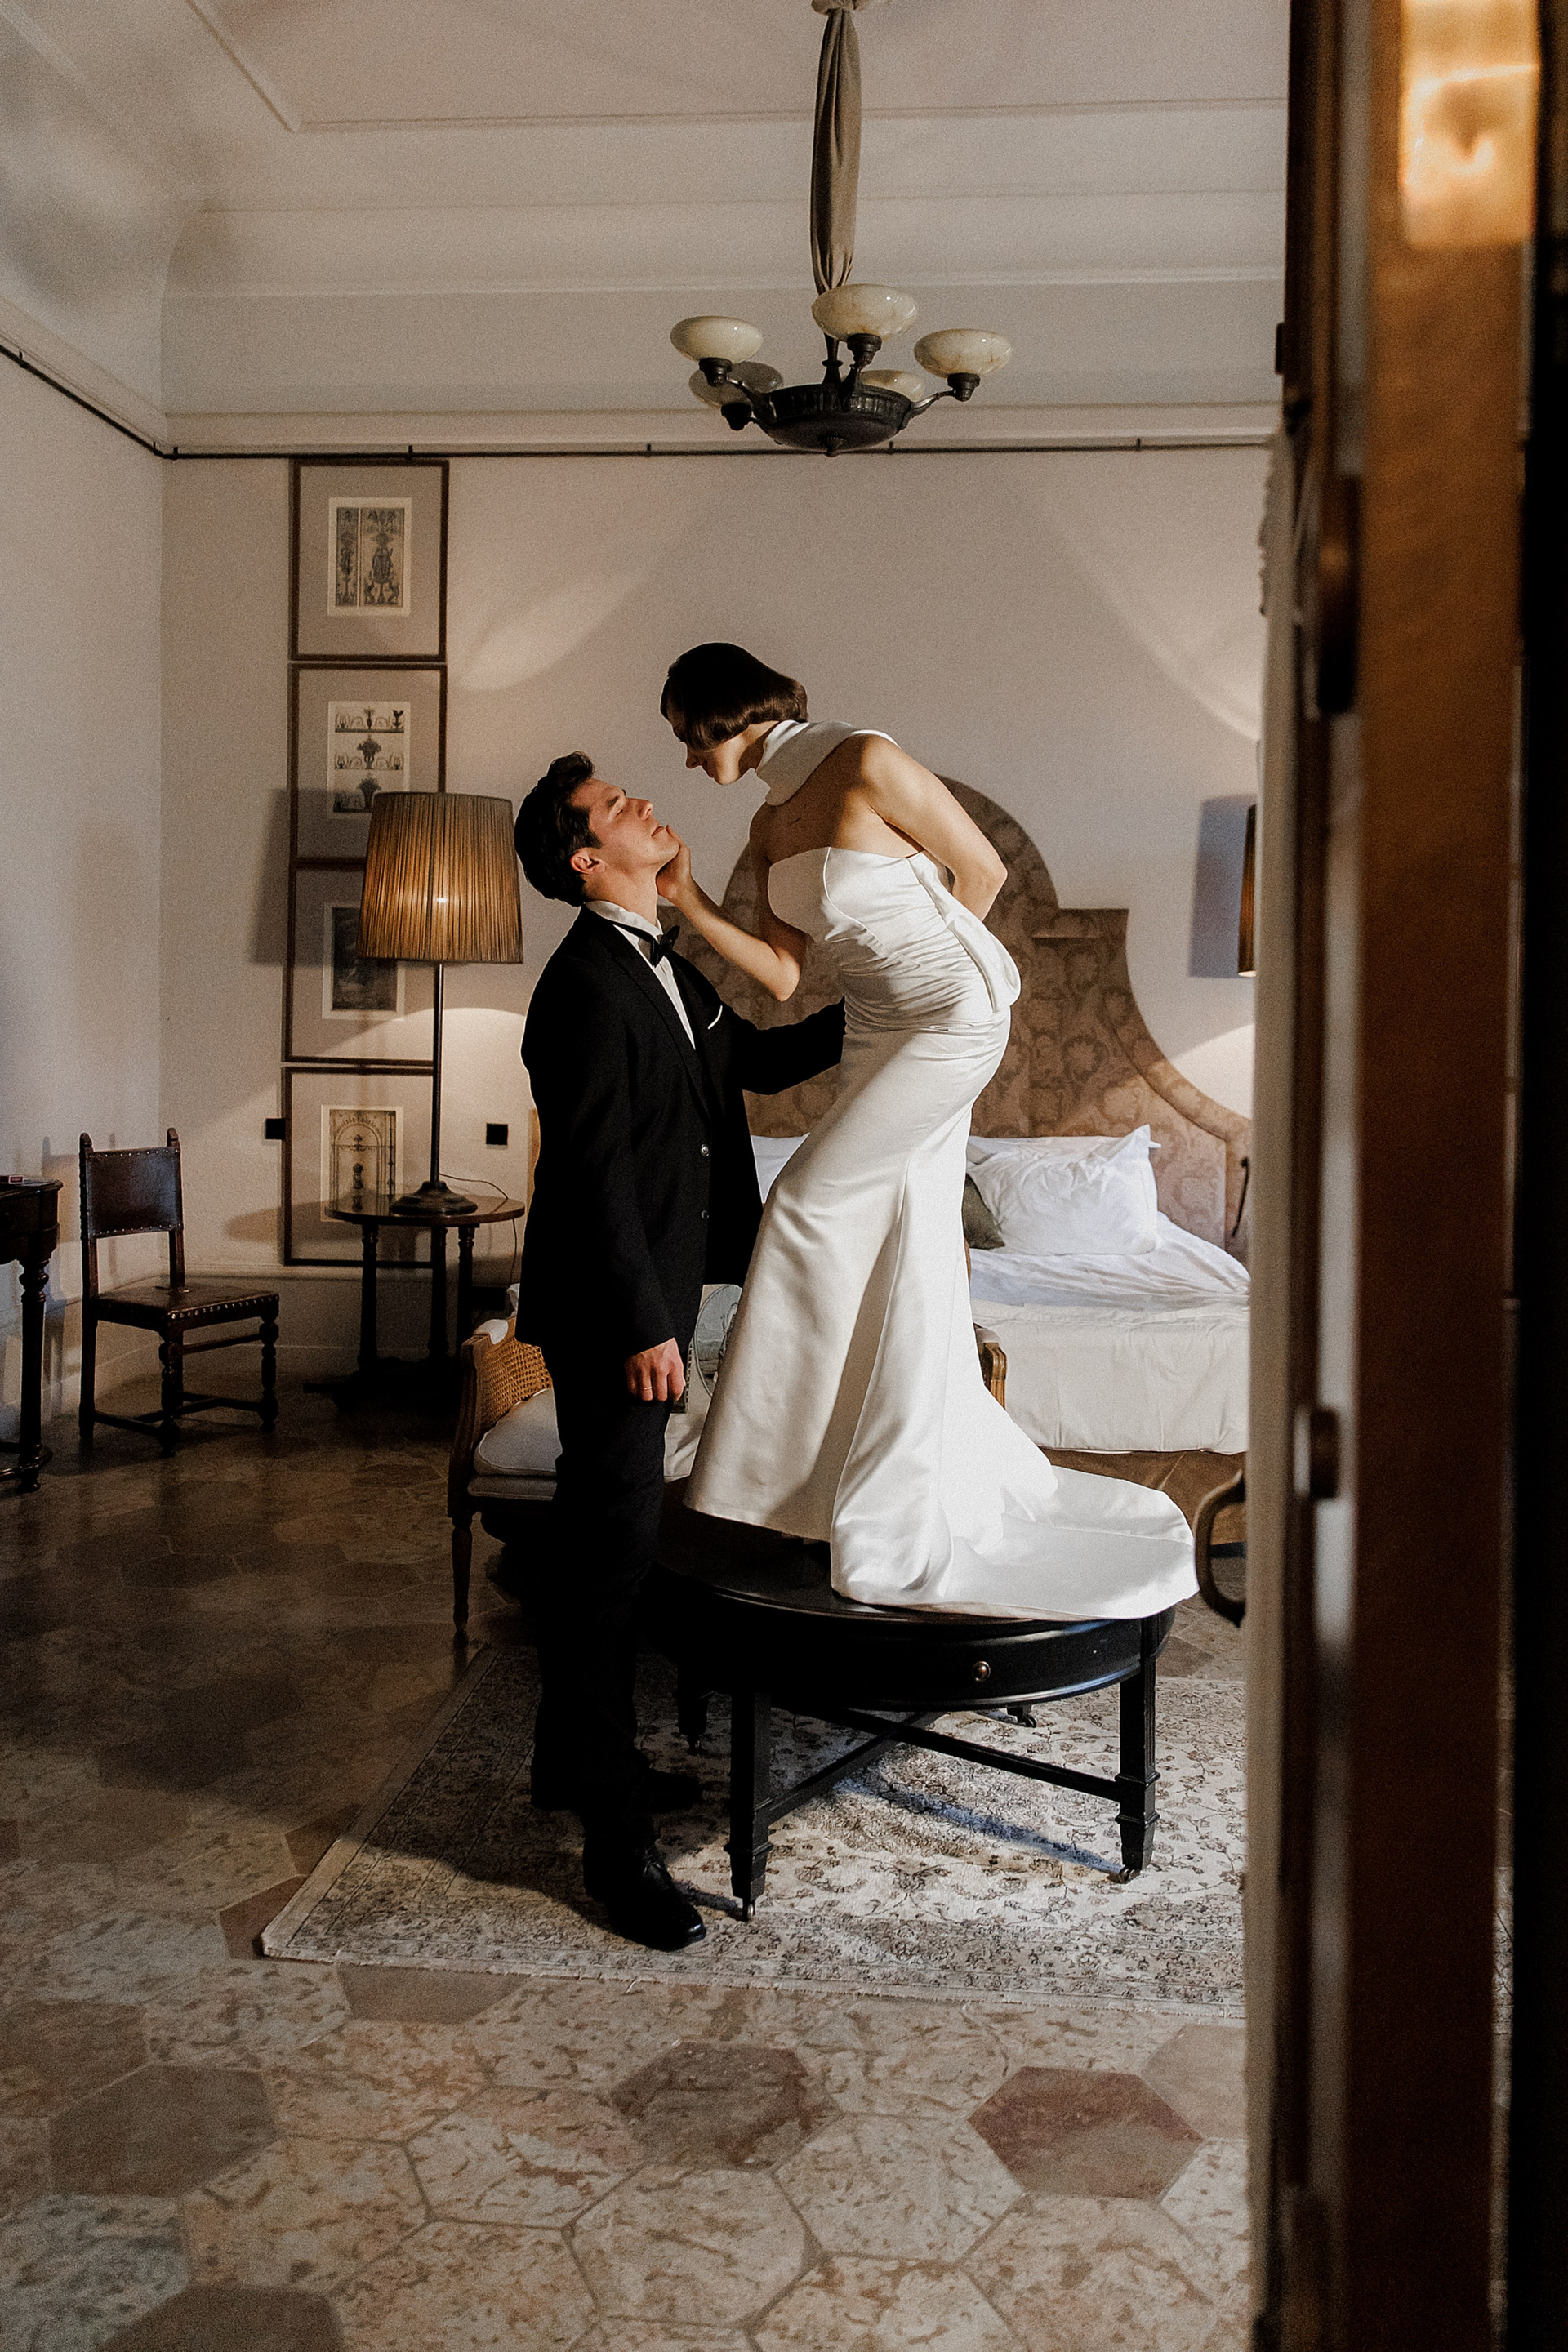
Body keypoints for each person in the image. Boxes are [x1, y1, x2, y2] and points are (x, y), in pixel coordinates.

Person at [655, 640, 1197, 1619]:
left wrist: (938, 970)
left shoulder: (866, 758)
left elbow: (981, 872)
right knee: (906, 1235)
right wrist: (688, 902)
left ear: (720, 712)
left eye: (689, 739)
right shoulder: (770, 824)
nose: (689, 761)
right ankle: (868, 1480)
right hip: (872, 1028)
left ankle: (765, 1473)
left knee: (806, 1200)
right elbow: (783, 977)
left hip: (951, 1014)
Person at [513, 751, 846, 1952]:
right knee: (610, 1568)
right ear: (584, 860)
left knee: (599, 1547)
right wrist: (644, 1322)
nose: (645, 804)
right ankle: (614, 1850)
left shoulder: (663, 962)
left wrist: (885, 1007)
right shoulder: (578, 988)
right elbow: (590, 1174)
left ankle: (565, 1762)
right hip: (617, 1313)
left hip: (664, 1294)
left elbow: (753, 1062)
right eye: (616, 808)